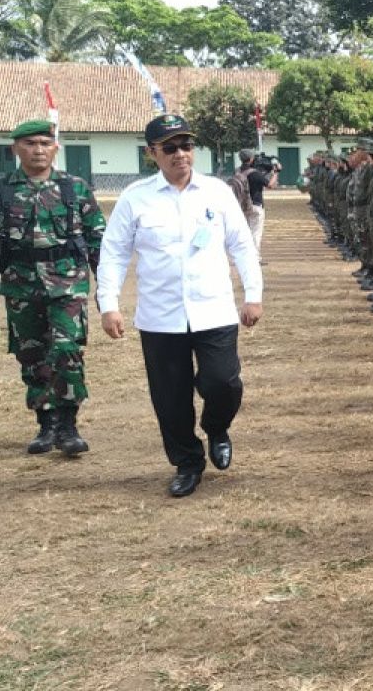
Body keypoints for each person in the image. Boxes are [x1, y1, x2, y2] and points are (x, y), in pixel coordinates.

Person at [97, 113, 264, 498]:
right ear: (151, 153)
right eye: (169, 148)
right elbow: (115, 253)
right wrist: (109, 303)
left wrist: (252, 294)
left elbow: (241, 245)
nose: (180, 154)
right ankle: (188, 462)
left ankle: (217, 426)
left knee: (223, 383)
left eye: (186, 146)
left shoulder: (217, 193)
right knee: (170, 400)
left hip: (214, 310)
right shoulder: (135, 198)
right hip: (161, 316)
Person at [0, 119, 105, 456]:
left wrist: (105, 285)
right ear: (16, 148)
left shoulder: (74, 187)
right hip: (21, 285)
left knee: (66, 349)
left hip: (67, 284)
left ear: (55, 147)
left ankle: (68, 424)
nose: (38, 149)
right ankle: (46, 423)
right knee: (31, 354)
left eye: (45, 143)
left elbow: (97, 238)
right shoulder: (3, 190)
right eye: (30, 143)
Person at [237, 148, 273, 254]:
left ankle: (245, 254)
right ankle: (255, 257)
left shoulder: (237, 171)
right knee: (256, 232)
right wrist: (275, 172)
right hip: (255, 205)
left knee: (245, 232)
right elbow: (270, 184)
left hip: (241, 206)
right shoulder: (255, 173)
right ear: (251, 159)